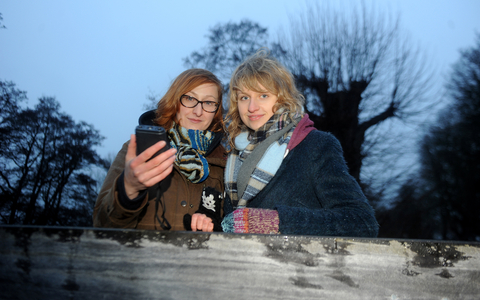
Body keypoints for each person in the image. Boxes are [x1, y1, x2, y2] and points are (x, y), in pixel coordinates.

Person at [219, 50, 379, 236]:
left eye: (263, 95)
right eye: (244, 98)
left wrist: (278, 221)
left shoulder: (315, 146)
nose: (252, 107)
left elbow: (362, 222)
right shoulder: (233, 155)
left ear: (282, 98)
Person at [93, 69, 226, 232]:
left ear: (217, 110)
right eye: (190, 98)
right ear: (175, 101)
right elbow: (102, 225)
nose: (198, 111)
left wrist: (215, 228)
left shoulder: (226, 162)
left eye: (208, 102)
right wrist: (128, 188)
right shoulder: (138, 150)